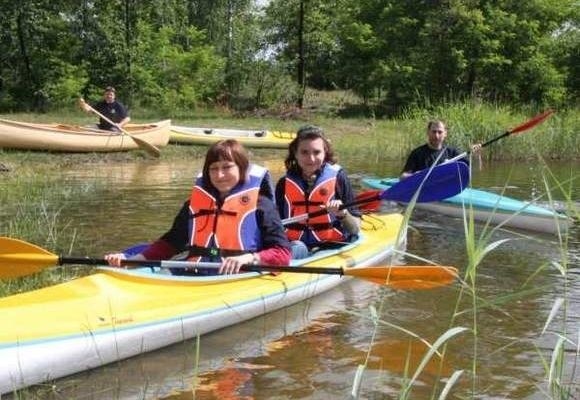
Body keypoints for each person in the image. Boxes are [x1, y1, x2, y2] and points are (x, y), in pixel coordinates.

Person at [105, 139, 291, 275]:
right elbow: (172, 242)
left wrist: (249, 258)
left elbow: (283, 254)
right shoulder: (194, 204)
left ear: (241, 169)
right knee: (140, 252)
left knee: (295, 248)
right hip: (197, 270)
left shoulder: (261, 205)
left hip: (240, 274)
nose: (219, 175)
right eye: (213, 169)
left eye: (227, 167)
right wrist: (133, 261)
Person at [275, 125, 361, 260]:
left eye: (316, 152)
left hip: (332, 246)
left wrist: (342, 214)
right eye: (304, 152)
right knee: (298, 247)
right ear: (295, 153)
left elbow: (355, 228)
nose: (311, 159)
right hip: (296, 246)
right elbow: (275, 227)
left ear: (325, 152)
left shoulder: (339, 178)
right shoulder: (283, 184)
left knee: (311, 252)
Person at [401, 119, 481, 179]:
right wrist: (416, 176)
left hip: (447, 191)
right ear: (428, 132)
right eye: (434, 132)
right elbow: (402, 177)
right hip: (424, 192)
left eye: (440, 132)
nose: (436, 136)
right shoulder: (417, 153)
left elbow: (475, 169)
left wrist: (477, 155)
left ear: (445, 133)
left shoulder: (452, 152)